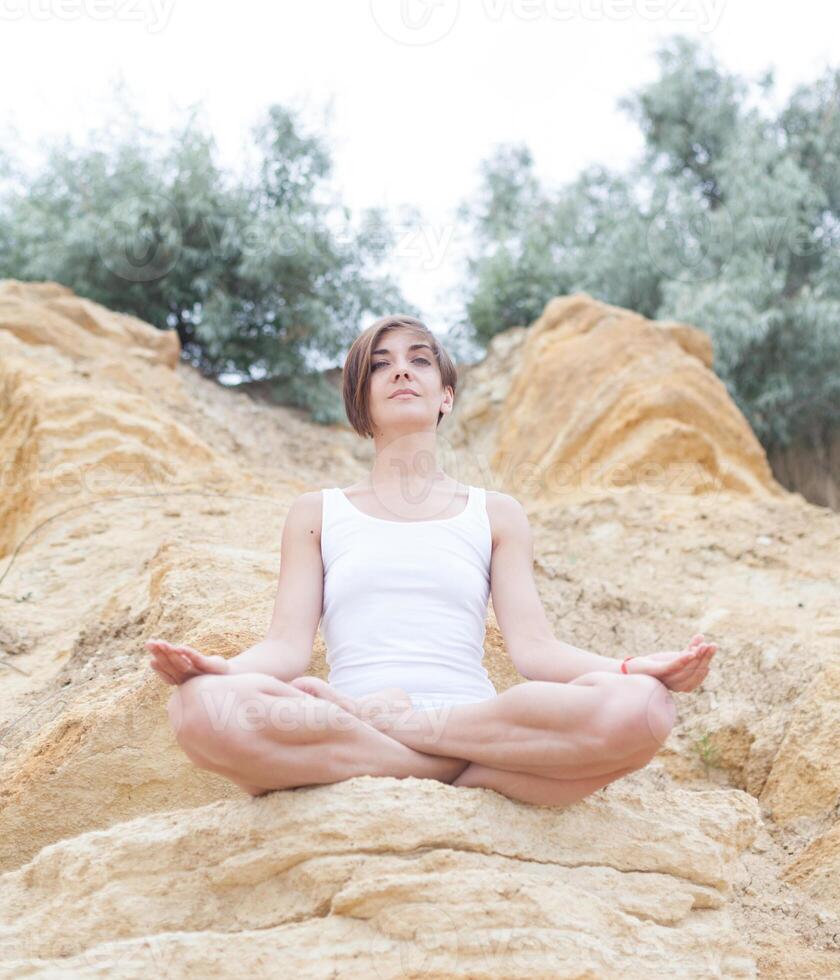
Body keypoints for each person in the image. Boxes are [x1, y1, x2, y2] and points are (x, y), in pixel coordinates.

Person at [147, 314, 716, 805]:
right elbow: (286, 649)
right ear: (360, 400)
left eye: (419, 360)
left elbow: (536, 653)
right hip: (354, 720)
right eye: (380, 364)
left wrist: (631, 669)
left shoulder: (496, 513)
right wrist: (221, 671)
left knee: (644, 708)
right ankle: (457, 775)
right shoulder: (315, 513)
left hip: (476, 724)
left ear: (445, 395)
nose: (400, 370)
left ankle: (414, 740)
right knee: (198, 709)